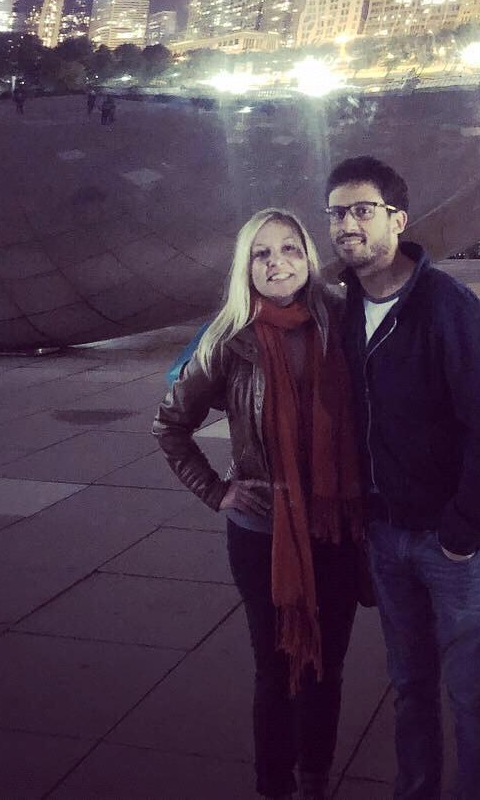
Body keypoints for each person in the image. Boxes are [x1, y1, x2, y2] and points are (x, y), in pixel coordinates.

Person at [326, 156, 480, 800]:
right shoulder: (343, 309)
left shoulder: (448, 308)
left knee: (470, 690)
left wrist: (464, 531)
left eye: (361, 210)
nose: (346, 224)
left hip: (452, 539)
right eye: (336, 213)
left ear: (398, 219)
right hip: (385, 535)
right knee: (409, 686)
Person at [154, 209, 363, 800]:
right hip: (262, 533)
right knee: (275, 671)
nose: (278, 264)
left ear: (308, 256)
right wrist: (216, 490)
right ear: (245, 266)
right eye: (263, 254)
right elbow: (169, 425)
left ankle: (315, 778)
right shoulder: (229, 339)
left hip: (335, 526)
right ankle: (273, 786)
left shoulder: (342, 321)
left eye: (290, 250)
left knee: (327, 667)